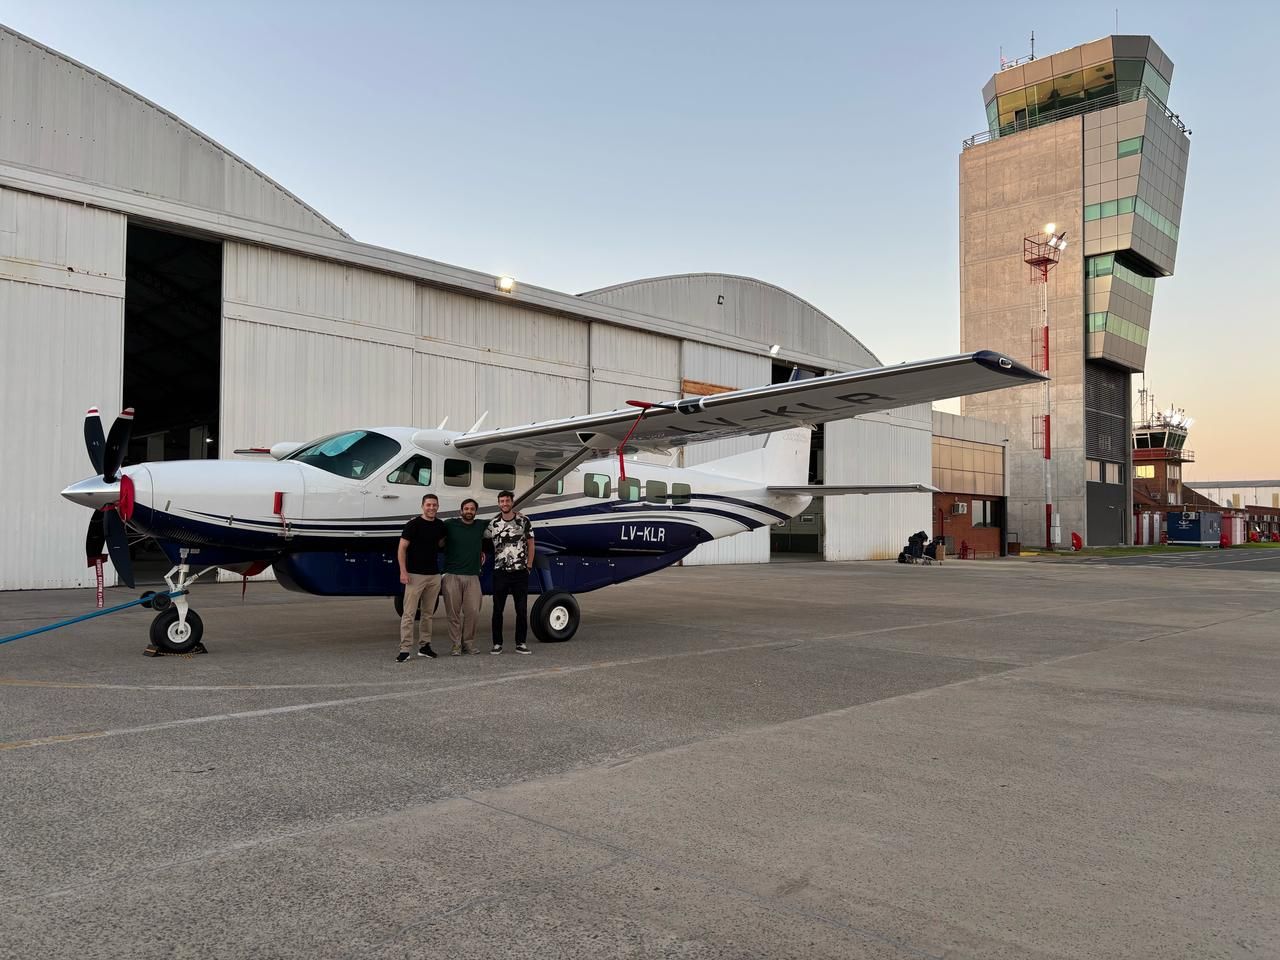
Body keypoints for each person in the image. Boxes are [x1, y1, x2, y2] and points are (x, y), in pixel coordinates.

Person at [395, 493, 447, 663]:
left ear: (438, 507)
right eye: (428, 505)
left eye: (434, 505)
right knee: (409, 614)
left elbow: (440, 543)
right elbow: (402, 548)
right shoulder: (413, 525)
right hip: (414, 575)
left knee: (428, 614)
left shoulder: (440, 525)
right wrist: (403, 571)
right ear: (422, 506)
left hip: (433, 575)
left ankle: (425, 646)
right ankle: (405, 649)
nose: (431, 508)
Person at [484, 490, 534, 655]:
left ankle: (521, 643)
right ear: (498, 503)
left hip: (520, 572)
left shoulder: (523, 520)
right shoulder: (493, 524)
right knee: (498, 609)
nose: (505, 503)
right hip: (500, 572)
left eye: (507, 501)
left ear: (512, 502)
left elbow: (531, 543)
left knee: (521, 609)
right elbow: (482, 540)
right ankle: (497, 643)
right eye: (502, 501)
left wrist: (529, 565)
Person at [441, 498, 486, 655]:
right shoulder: (449, 524)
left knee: (473, 611)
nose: (469, 511)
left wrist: (517, 515)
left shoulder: (481, 525)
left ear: (475, 512)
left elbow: (501, 521)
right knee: (453, 613)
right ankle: (456, 645)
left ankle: (468, 644)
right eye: (466, 508)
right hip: (451, 575)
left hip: (472, 576)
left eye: (472, 509)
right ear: (461, 511)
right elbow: (433, 528)